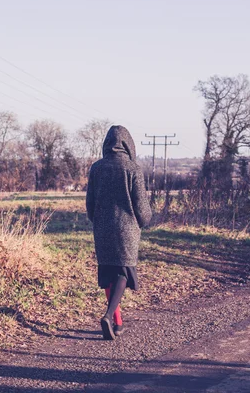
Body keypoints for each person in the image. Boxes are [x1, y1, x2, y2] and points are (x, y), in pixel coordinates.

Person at [86, 125, 152, 340]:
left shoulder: (96, 168)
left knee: (108, 273)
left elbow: (90, 203)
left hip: (102, 228)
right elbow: (141, 206)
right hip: (127, 229)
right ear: (128, 144)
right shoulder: (132, 169)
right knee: (122, 272)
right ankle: (107, 316)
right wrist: (144, 220)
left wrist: (97, 220)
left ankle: (118, 323)